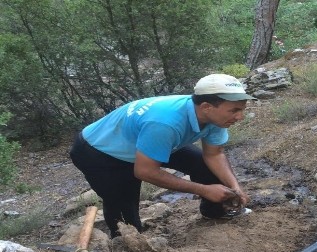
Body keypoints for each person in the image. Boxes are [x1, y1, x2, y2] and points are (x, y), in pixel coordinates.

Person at [69, 74, 255, 238]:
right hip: (98, 151)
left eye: (242, 109)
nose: (240, 117)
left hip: (146, 140)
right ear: (206, 106)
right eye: (234, 110)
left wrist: (234, 186)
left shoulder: (214, 118)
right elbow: (145, 171)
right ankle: (125, 243)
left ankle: (214, 211)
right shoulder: (165, 122)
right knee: (124, 206)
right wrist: (204, 189)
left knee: (201, 164)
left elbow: (214, 154)